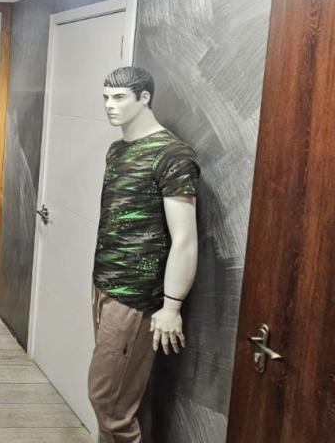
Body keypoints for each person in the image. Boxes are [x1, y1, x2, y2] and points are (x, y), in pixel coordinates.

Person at [89, 66, 199, 442]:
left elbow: (184, 238)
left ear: (145, 98)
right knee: (123, 397)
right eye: (106, 97)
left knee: (107, 401)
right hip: (103, 283)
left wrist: (171, 306)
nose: (109, 105)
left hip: (135, 296)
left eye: (119, 98)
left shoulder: (172, 154)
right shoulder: (117, 149)